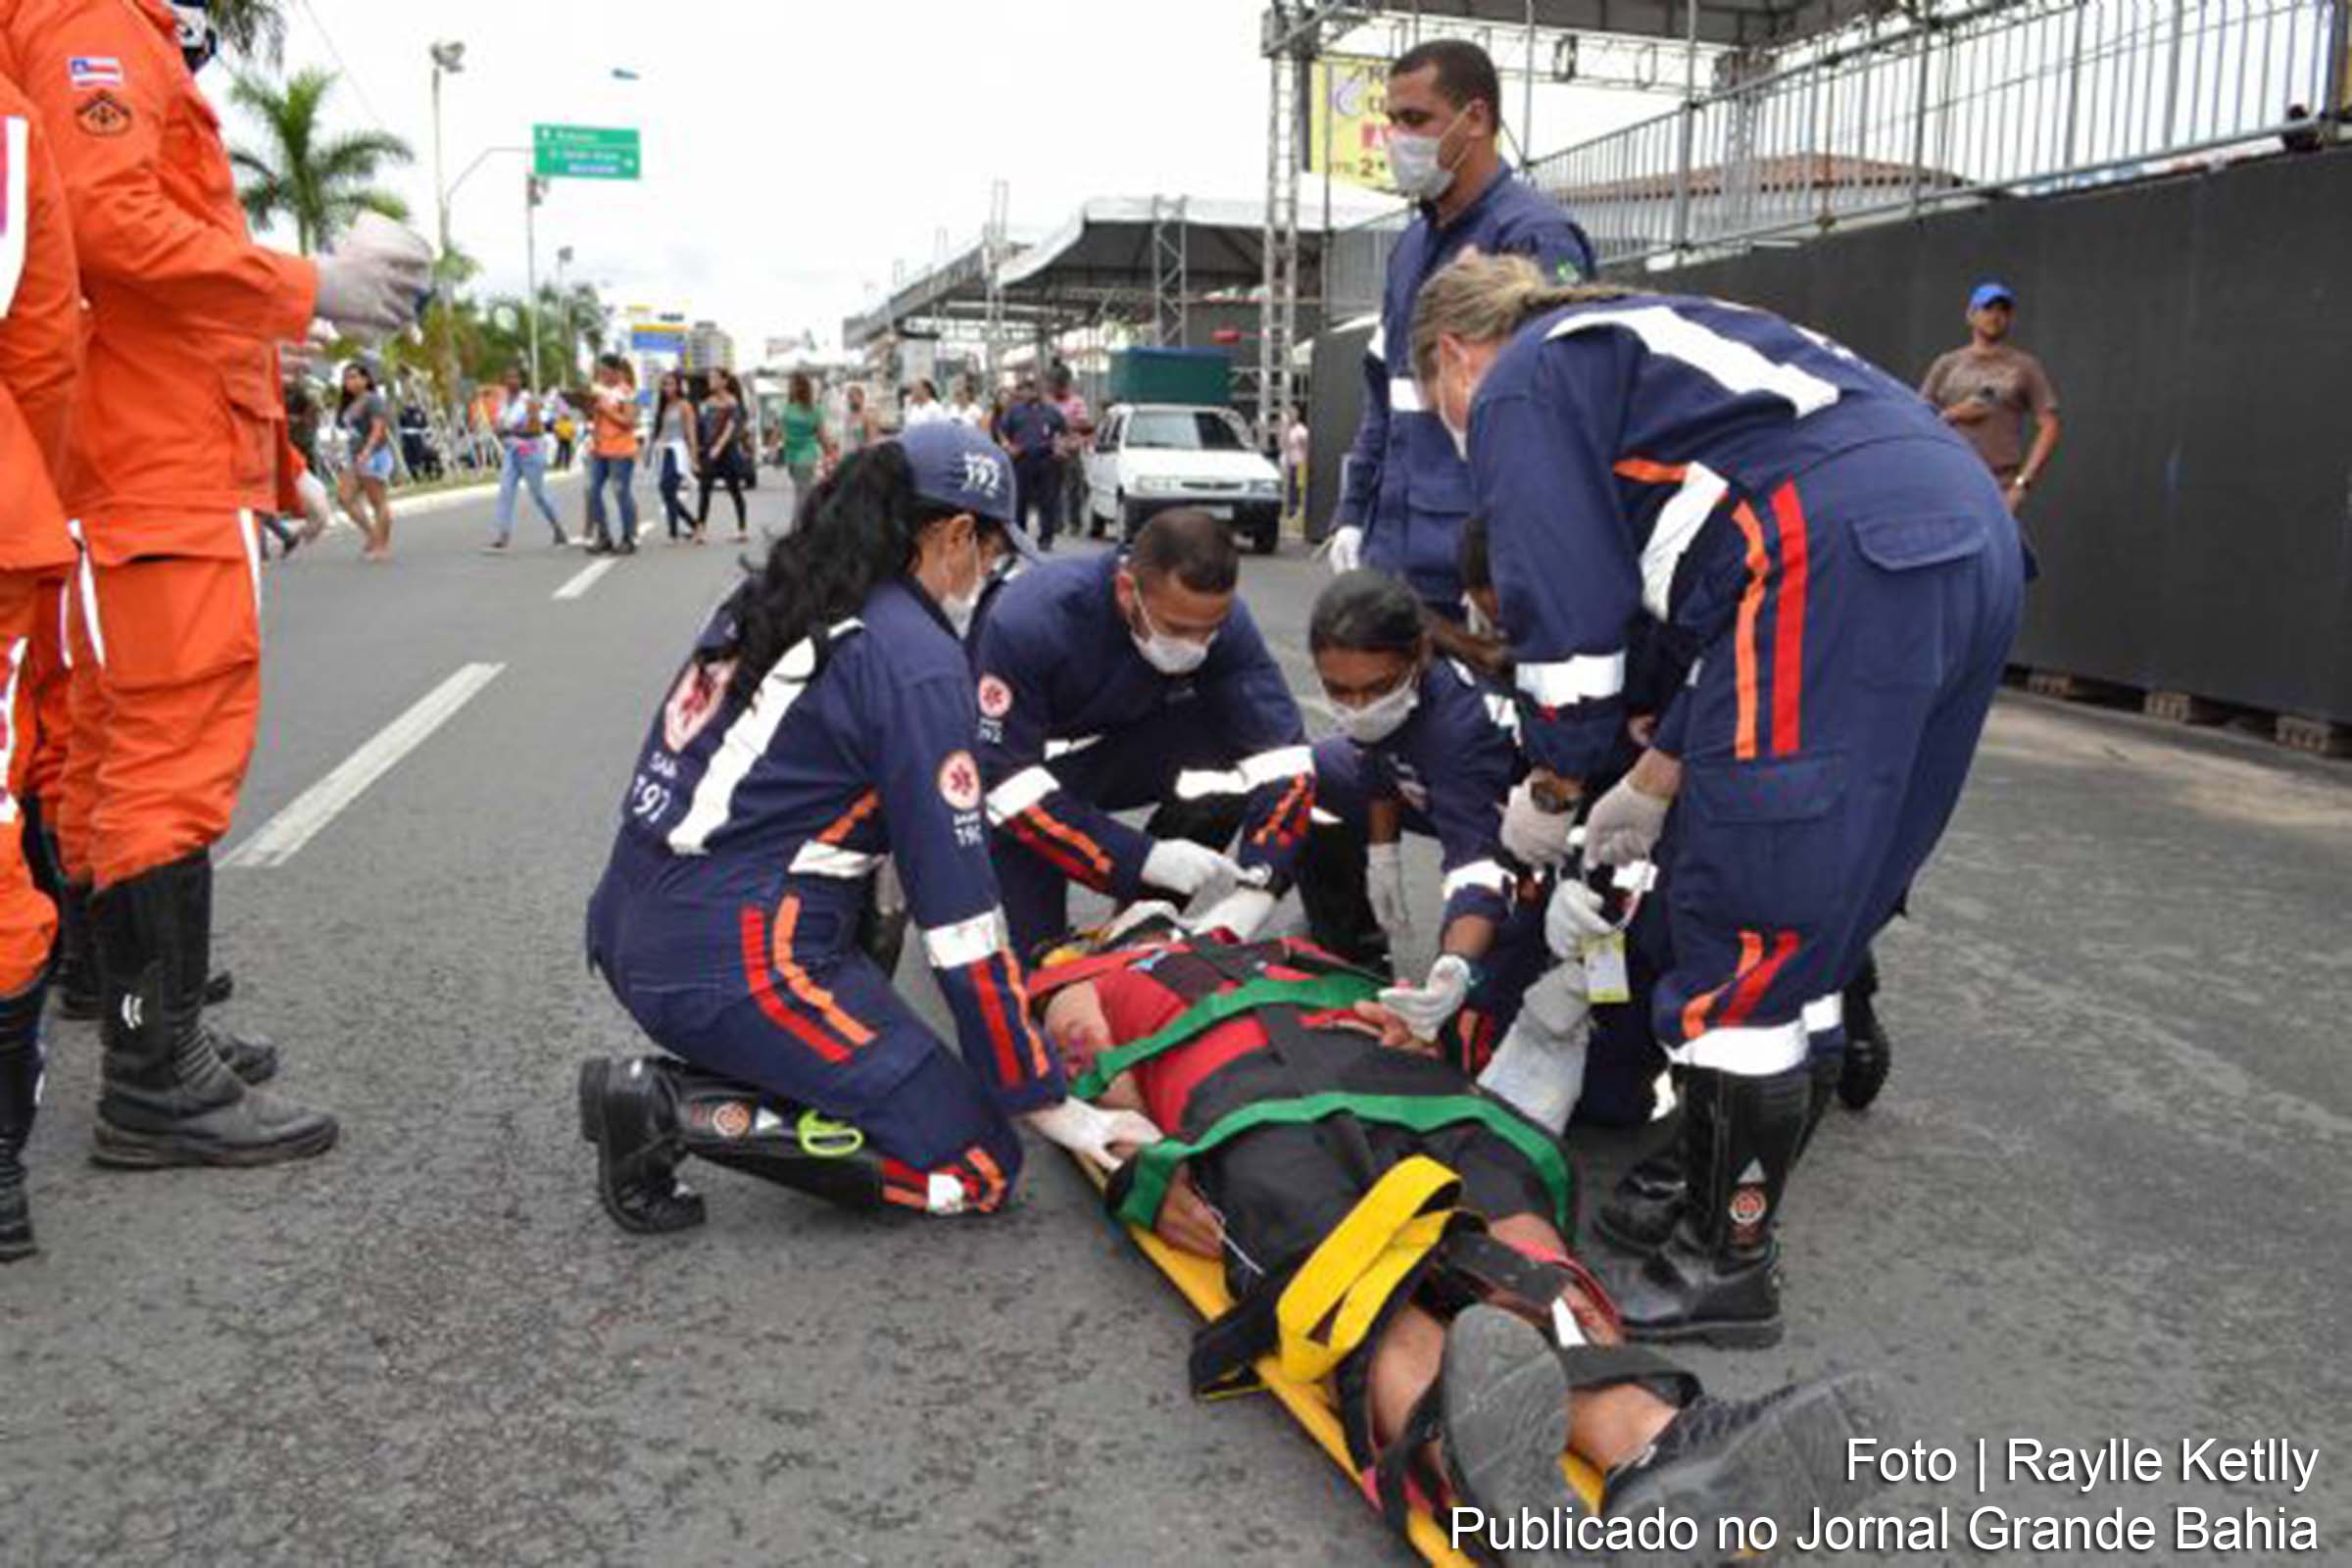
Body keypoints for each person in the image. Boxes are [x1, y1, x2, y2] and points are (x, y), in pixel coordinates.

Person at [1410, 252, 2024, 1346]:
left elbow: (1573, 622)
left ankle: (1725, 1259)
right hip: (1964, 534)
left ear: (1453, 355)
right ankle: (1718, 1172)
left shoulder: (1523, 380)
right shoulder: (1655, 346)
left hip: (1828, 551)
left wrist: (1554, 782)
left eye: (1436, 399)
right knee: (1830, 900)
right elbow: (1720, 634)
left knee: (1745, 916)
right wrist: (1653, 778)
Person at [1031, 923, 1896, 1550]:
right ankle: (1479, 1473)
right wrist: (1140, 1169)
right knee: (1351, 1264)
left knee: (1507, 1219)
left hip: (1394, 1084)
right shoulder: (1093, 974)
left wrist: (1406, 1025)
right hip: (1243, 1103)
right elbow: (1092, 1083)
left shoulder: (1287, 948)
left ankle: (1653, 1442)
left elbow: (1397, 1012)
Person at [7, 0, 431, 1174]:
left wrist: (273, 445)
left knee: (117, 754)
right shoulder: (92, 19)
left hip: (149, 453)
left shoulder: (112, 27)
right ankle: (154, 1073)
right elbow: (106, 224)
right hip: (146, 464)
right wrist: (308, 284)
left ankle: (155, 1031)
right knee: (163, 756)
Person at [576, 424, 1154, 1231]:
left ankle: (780, 1066)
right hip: (736, 961)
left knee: (870, 979)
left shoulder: (779, 592)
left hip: (632, 921)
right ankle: (665, 1106)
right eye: (990, 554)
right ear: (955, 534)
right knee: (977, 1163)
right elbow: (959, 918)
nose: (987, 578)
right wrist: (1045, 1099)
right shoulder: (913, 657)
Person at [1325, 39, 1594, 647]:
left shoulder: (1534, 238)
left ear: (1475, 118)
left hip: (1477, 568)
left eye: (1415, 119)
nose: (1397, 138)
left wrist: (1511, 560)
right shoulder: (1411, 248)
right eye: (1392, 120)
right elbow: (1386, 394)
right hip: (1398, 552)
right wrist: (1354, 513)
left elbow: (1554, 421)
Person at [972, 509, 1314, 955]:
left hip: (1113, 753)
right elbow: (1005, 783)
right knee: (1038, 962)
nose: (1195, 647)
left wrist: (1262, 885)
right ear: (1126, 590)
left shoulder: (1223, 623)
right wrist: (1139, 857)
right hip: (1017, 772)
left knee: (1230, 744)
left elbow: (1283, 756)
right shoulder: (1032, 619)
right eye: (1178, 629)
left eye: (1208, 631)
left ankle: (1142, 920)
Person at [1297, 569, 1550, 1083]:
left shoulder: (1458, 730)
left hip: (1522, 834)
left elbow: (1479, 866)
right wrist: (1382, 853)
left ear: (1420, 656)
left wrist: (1456, 965)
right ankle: (1353, 952)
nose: (1359, 708)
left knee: (1462, 1030)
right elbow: (1376, 760)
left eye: (1375, 689)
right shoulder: (1389, 699)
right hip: (1431, 790)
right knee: (1308, 774)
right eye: (1339, 690)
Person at [1918, 281, 2060, 555]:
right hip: (1949, 483)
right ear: (1971, 315)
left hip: (1998, 486)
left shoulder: (2024, 366)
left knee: (1993, 562)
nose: (1995, 316)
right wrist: (1953, 414)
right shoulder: (1947, 364)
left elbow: (2050, 424)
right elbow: (1919, 421)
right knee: (1946, 561)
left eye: (2003, 310)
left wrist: (2021, 484)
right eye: (1988, 308)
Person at [486, 366, 567, 551]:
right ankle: (503, 535)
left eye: (515, 377)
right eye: (508, 377)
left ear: (522, 380)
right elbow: (499, 425)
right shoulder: (503, 402)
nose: (511, 381)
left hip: (530, 451)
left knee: (539, 494)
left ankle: (558, 528)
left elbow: (535, 430)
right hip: (512, 451)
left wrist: (509, 431)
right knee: (506, 491)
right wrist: (498, 430)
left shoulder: (529, 401)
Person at [995, 375, 1067, 552]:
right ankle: (1019, 540)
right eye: (1026, 389)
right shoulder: (1014, 411)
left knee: (1047, 500)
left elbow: (1062, 432)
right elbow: (1002, 432)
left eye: (1033, 388)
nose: (1030, 392)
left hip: (1046, 459)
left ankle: (1046, 539)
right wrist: (1008, 447)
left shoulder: (1052, 411)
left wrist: (1060, 446)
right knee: (1020, 500)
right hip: (1022, 459)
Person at [335, 361, 397, 562]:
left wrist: (367, 451)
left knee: (378, 501)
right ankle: (372, 535)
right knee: (344, 497)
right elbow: (346, 431)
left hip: (374, 454)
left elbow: (378, 428)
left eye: (355, 377)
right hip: (355, 457)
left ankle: (382, 546)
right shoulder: (350, 404)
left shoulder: (373, 400)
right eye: (347, 378)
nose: (350, 382)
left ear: (365, 379)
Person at [583, 355, 642, 557]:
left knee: (620, 492)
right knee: (591, 491)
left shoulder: (626, 393)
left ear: (617, 372)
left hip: (621, 451)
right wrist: (588, 407)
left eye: (606, 373)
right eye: (600, 373)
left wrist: (606, 409)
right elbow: (594, 418)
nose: (603, 377)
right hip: (599, 449)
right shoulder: (598, 392)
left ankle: (629, 537)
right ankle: (604, 536)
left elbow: (629, 422)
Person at [695, 370, 752, 541]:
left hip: (728, 451)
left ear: (724, 381)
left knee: (734, 489)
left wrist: (719, 447)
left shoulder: (733, 402)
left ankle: (742, 529)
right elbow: (701, 427)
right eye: (709, 378)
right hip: (709, 450)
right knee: (705, 489)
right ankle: (700, 530)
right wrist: (699, 448)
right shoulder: (707, 403)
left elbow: (730, 427)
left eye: (714, 378)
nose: (710, 381)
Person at [649, 370, 699, 543]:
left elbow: (691, 432)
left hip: (678, 451)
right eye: (664, 384)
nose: (667, 388)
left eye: (670, 384)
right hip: (664, 451)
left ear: (678, 386)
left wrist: (694, 458)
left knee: (667, 487)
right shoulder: (663, 406)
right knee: (666, 491)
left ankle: (674, 532)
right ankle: (693, 525)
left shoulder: (684, 405)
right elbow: (660, 431)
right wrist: (654, 449)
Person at [1047, 366, 1093, 540]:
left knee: (1073, 488)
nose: (1055, 390)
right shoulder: (1048, 403)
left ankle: (1075, 522)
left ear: (1065, 385)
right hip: (1050, 450)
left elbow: (1084, 424)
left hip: (1071, 450)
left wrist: (1062, 423)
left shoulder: (1077, 402)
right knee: (1052, 489)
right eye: (1052, 386)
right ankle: (1056, 522)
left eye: (1058, 386)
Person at [776, 371, 829, 508]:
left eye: (792, 385)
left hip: (806, 454)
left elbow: (822, 436)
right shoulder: (788, 408)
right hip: (791, 455)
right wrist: (773, 449)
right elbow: (779, 431)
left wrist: (830, 453)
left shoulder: (813, 410)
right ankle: (804, 518)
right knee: (801, 489)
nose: (790, 388)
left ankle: (800, 519)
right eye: (790, 386)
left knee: (802, 492)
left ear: (801, 388)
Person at [1281, 404, 1310, 528]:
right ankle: (1288, 509)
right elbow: (1282, 444)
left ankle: (1295, 509)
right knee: (1288, 486)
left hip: (1299, 462)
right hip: (1287, 462)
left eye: (1293, 414)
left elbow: (1306, 447)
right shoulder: (1287, 430)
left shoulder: (1301, 430)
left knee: (1297, 487)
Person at [839, 383, 880, 457]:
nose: (849, 400)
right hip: (846, 454)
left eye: (851, 397)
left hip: (859, 456)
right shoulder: (847, 415)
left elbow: (870, 440)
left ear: (861, 397)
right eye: (848, 397)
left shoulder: (867, 416)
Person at [551, 393, 579, 470]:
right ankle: (565, 465)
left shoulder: (562, 422)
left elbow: (556, 429)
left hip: (563, 438)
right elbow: (573, 431)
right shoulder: (568, 422)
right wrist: (572, 436)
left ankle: (559, 465)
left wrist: (556, 435)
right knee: (565, 452)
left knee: (561, 451)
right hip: (566, 438)